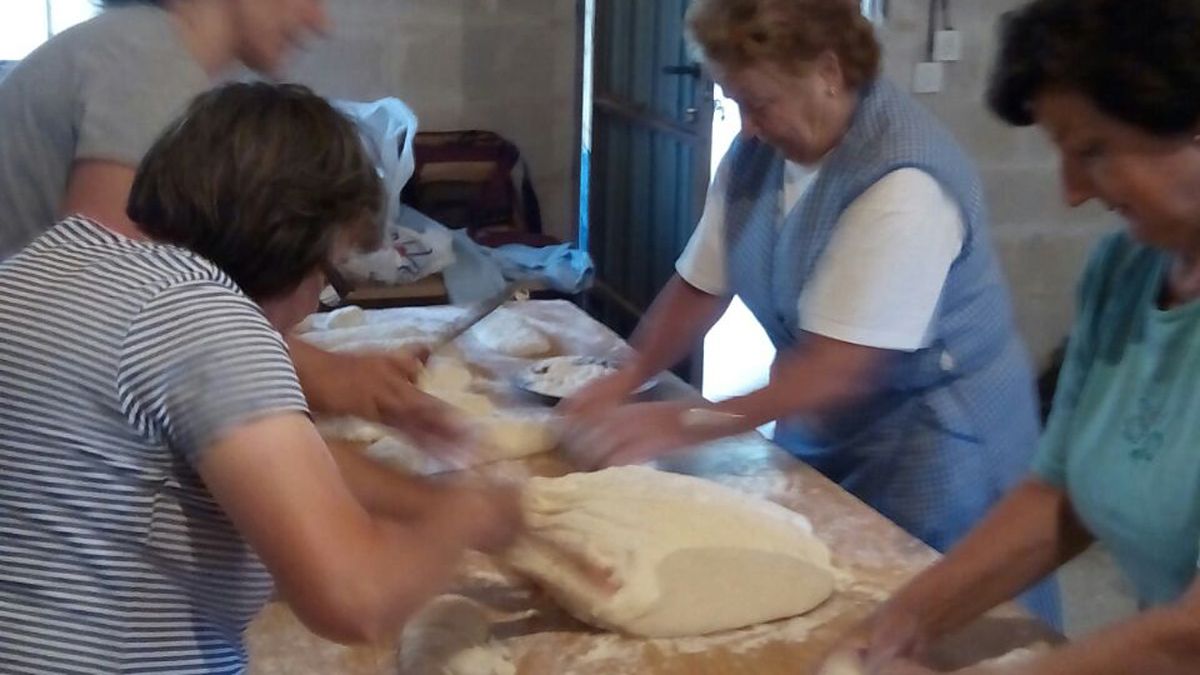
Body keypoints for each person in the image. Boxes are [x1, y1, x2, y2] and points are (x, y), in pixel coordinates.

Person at [0, 82, 522, 674]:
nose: (313, 303)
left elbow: (242, 464)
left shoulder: (46, 268)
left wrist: (421, 499)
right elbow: (355, 599)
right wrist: (463, 515)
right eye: (329, 271)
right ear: (288, 241)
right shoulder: (204, 314)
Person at [564, 0, 1057, 622]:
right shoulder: (758, 155)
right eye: (732, 101)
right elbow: (699, 287)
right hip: (830, 425)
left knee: (938, 628)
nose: (746, 126)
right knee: (832, 610)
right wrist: (625, 378)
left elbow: (838, 369)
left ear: (828, 71)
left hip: (937, 446)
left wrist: (683, 421)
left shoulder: (903, 180)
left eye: (758, 102)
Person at [829, 0, 1200, 672]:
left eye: (1093, 150)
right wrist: (902, 617)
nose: (1071, 191)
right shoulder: (1125, 274)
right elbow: (1059, 494)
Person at [0, 0, 453, 442]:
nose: (319, 20)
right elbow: (130, 309)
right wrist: (328, 376)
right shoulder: (146, 60)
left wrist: (337, 373)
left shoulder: (143, 49)